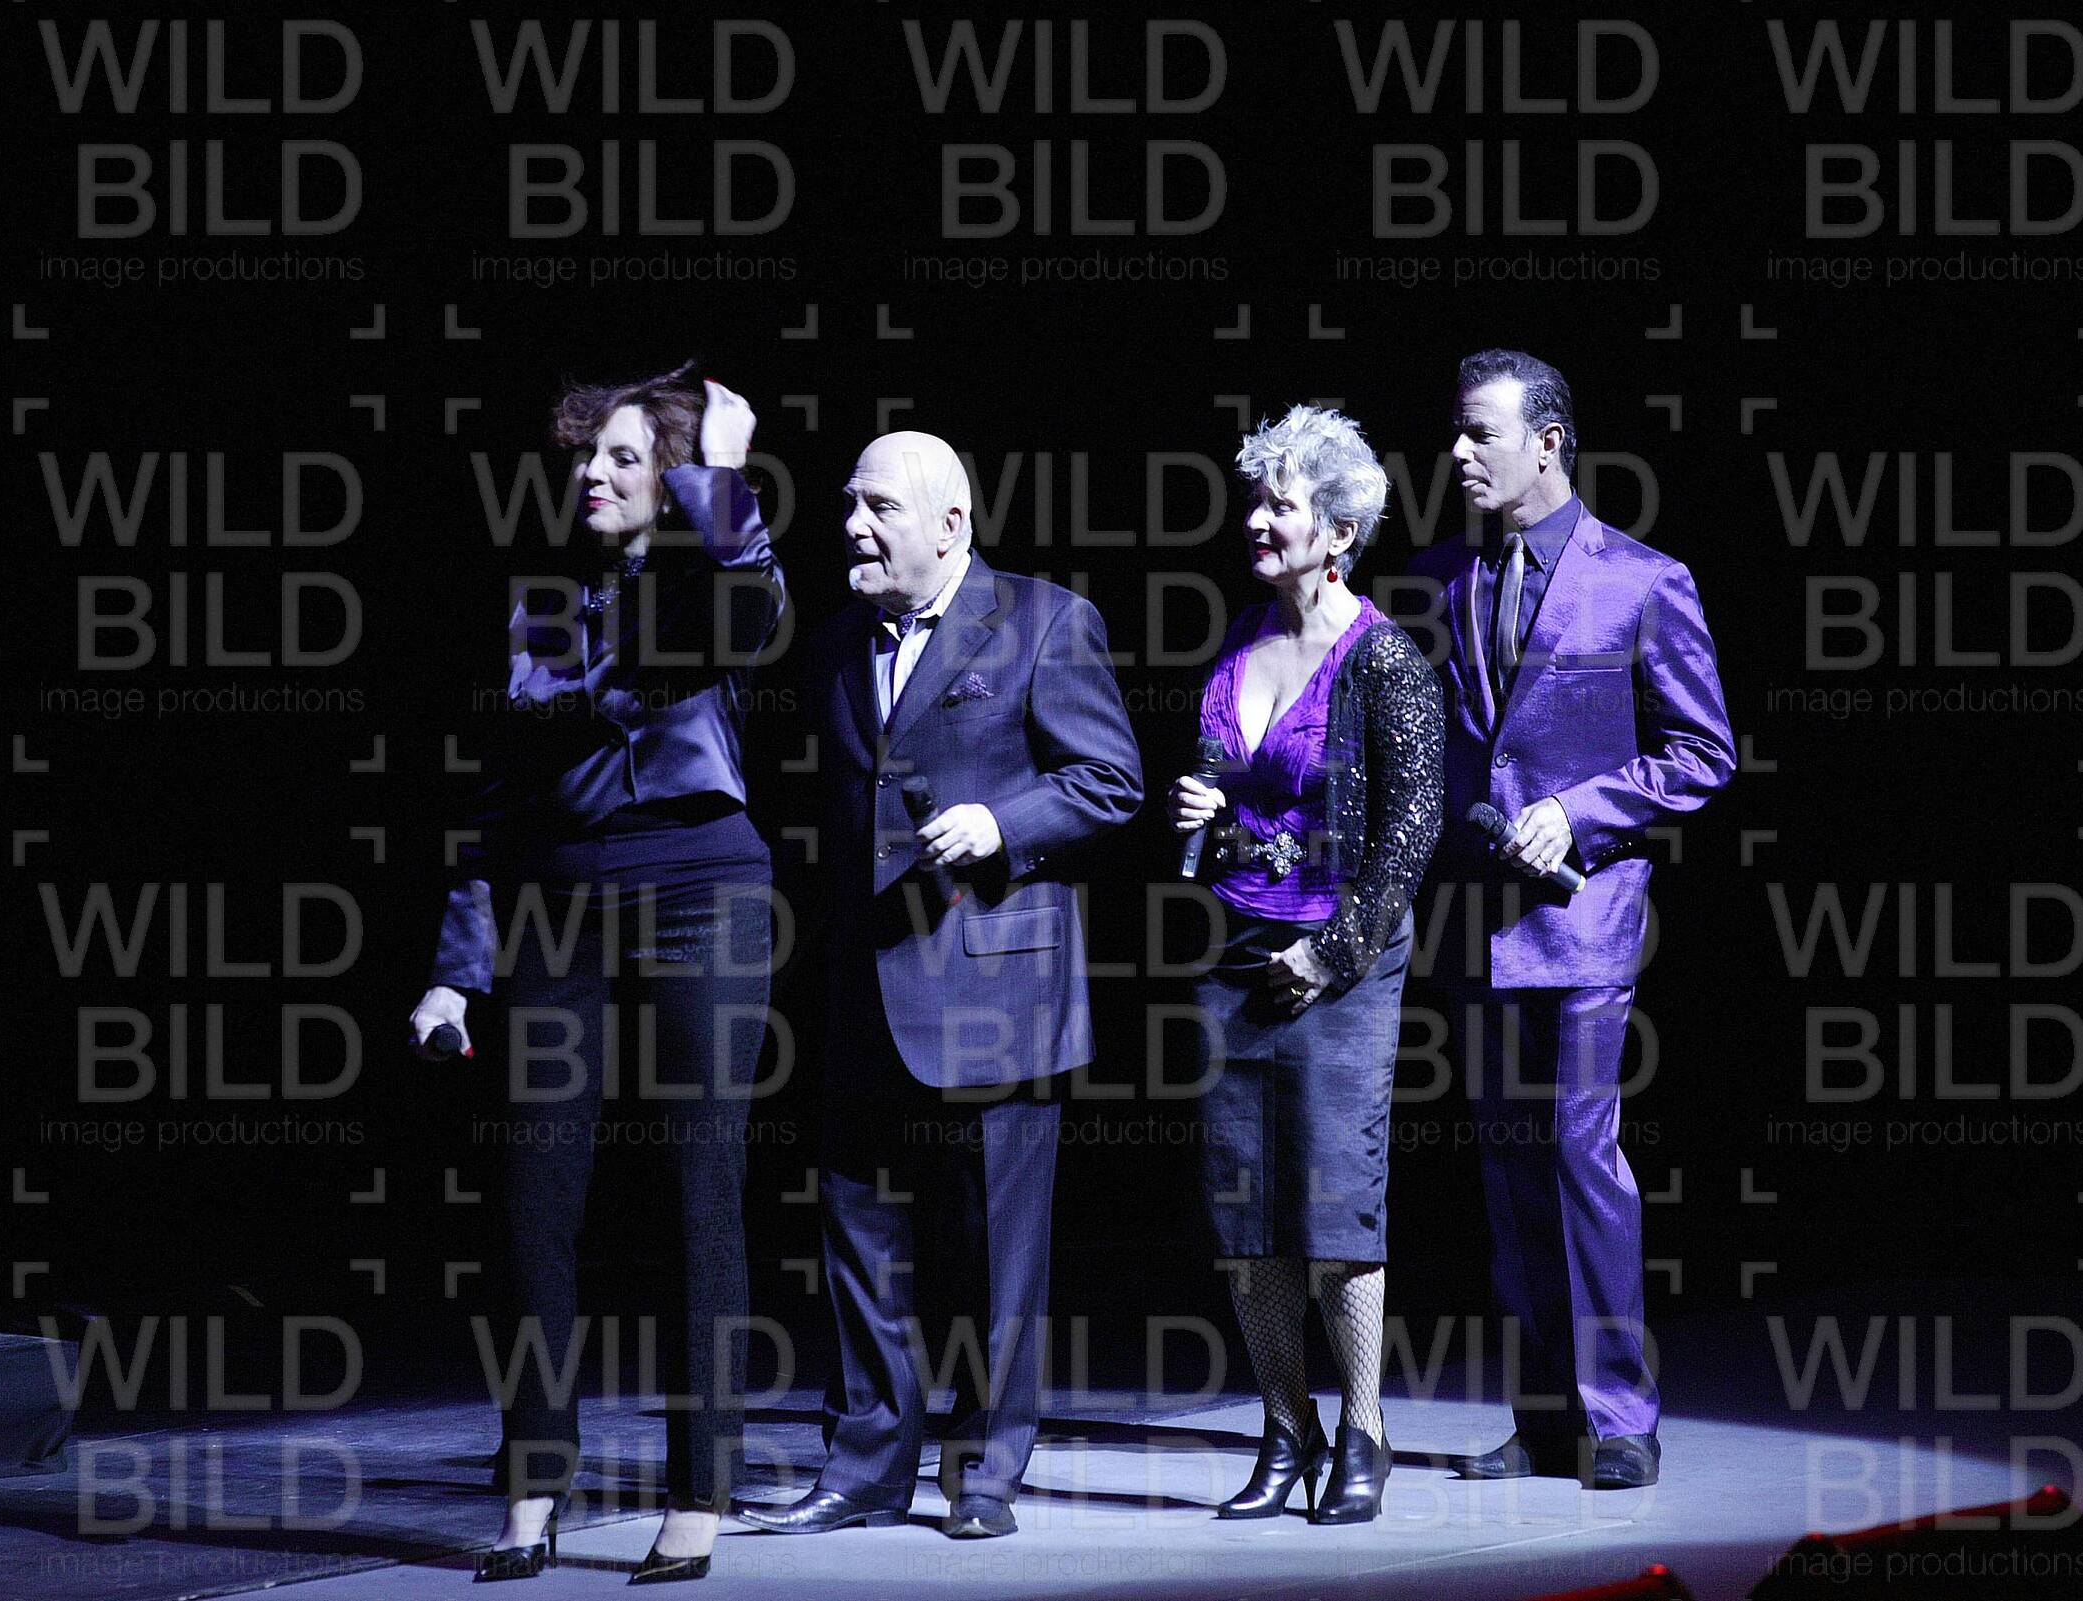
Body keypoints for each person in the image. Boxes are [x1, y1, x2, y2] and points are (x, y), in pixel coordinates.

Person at [409, 365, 786, 1583]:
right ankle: (534, 1481)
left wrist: (721, 476)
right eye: (586, 455)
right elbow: (499, 796)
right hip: (559, 905)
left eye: (624, 456)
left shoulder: (708, 572)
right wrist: (456, 972)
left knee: (697, 1190)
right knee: (534, 1201)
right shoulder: (545, 602)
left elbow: (756, 617)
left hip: (699, 889)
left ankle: (699, 1485)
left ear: (670, 475)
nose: (593, 474)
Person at [733, 431, 1142, 1541]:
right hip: (866, 987)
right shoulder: (832, 643)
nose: (853, 528)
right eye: (848, 506)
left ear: (951, 524)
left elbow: (1111, 780)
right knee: (859, 1242)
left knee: (997, 1254)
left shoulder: (1045, 620)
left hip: (998, 990)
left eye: (879, 509)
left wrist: (1003, 823)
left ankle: (986, 1472)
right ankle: (864, 1466)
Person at [1409, 349, 1734, 1491]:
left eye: (1480, 433)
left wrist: (1578, 810)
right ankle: (1544, 1414)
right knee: (1507, 1176)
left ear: (1548, 442)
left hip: (1582, 919)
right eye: (1456, 431)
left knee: (1581, 1157)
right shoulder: (1436, 578)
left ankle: (1620, 1413)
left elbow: (1702, 752)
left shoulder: (1642, 579)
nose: (1457, 451)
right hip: (1473, 923)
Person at [1172, 405, 1444, 1525]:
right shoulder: (1241, 637)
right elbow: (1226, 798)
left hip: (1344, 957)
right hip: (1236, 949)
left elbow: (1411, 831)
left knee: (1333, 1205)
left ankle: (1363, 1429)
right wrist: (1207, 815)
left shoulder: (1383, 658)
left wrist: (1331, 952)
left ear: (1336, 529)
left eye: (1278, 504)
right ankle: (1285, 1428)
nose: (1256, 520)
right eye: (1255, 500)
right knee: (1245, 1214)